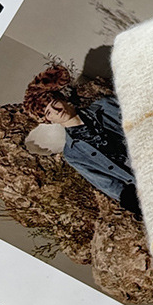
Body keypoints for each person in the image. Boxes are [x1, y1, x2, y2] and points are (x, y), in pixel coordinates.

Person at [23, 65, 141, 217]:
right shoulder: (73, 153)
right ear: (49, 120)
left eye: (54, 104)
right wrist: (129, 199)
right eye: (48, 113)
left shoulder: (106, 106)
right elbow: (104, 181)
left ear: (62, 99)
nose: (56, 111)